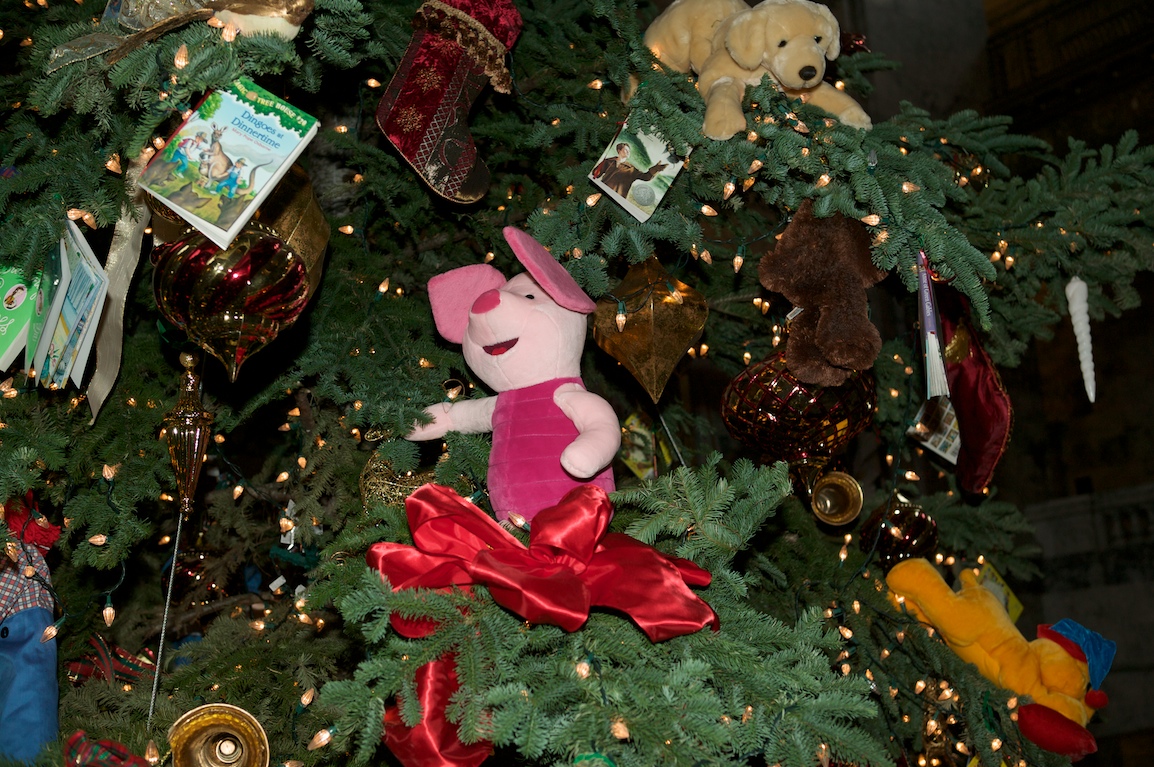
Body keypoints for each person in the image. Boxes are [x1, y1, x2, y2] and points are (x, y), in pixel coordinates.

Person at [591, 142, 668, 198]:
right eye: (626, 150)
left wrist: (655, 169)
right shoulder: (608, 161)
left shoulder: (632, 169)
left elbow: (646, 177)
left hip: (616, 199)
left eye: (629, 151)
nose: (628, 152)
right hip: (601, 192)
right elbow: (595, 174)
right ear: (619, 150)